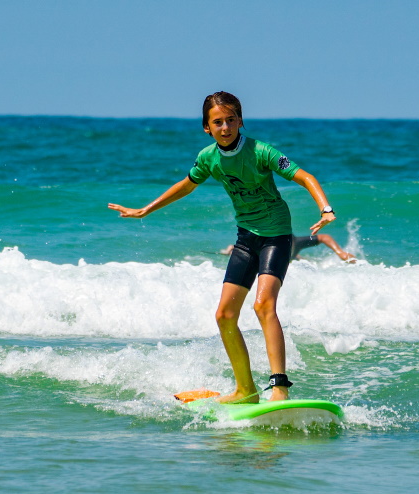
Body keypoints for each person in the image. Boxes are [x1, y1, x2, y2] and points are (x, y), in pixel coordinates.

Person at [108, 91, 336, 403]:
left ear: (240, 121)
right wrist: (145, 209)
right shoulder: (208, 158)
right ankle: (245, 391)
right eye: (218, 122)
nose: (225, 126)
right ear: (207, 127)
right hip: (246, 238)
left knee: (263, 305)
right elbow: (186, 185)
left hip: (276, 236)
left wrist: (325, 209)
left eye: (231, 120)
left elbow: (305, 176)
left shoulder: (262, 151)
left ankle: (279, 387)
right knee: (224, 315)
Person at [220, 232, 355, 262]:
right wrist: (229, 250)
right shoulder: (267, 246)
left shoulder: (296, 242)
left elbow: (323, 237)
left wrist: (340, 253)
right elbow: (238, 246)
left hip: (291, 255)